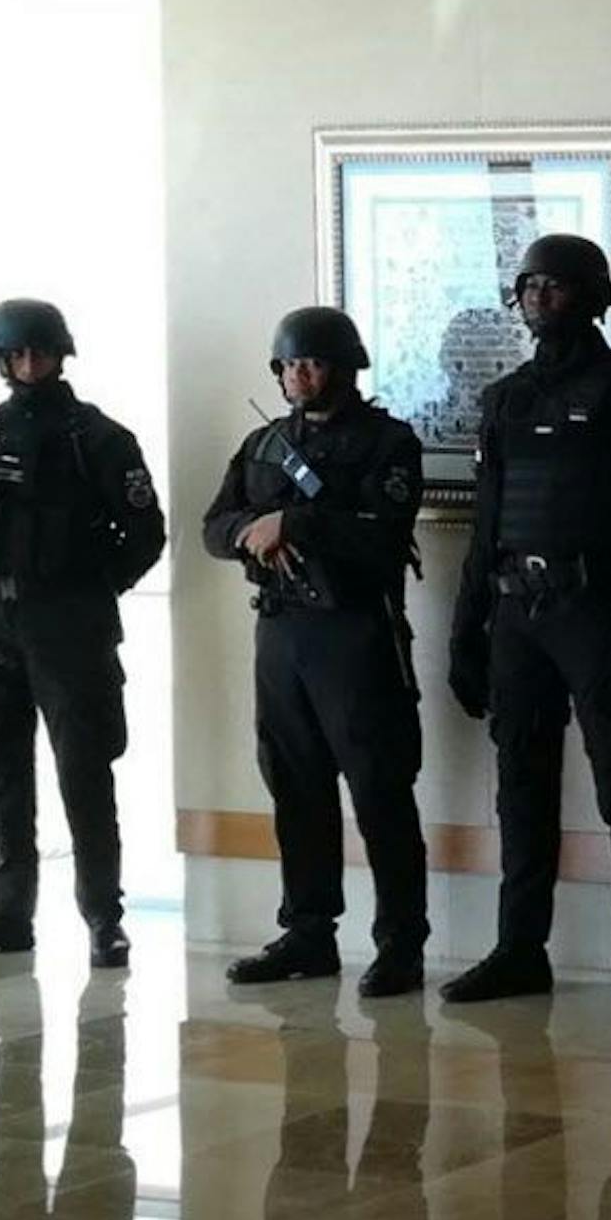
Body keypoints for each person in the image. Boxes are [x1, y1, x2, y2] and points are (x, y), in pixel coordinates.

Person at [445, 233, 611, 1017]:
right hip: (519, 614)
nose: (539, 297)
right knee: (521, 785)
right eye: (528, 285)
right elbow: (486, 528)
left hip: (596, 612)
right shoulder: (506, 398)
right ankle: (520, 950)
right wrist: (466, 627)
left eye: (555, 284)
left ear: (591, 294)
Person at [0, 299, 165, 970]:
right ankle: (8, 910)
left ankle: (103, 917)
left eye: (40, 352)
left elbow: (147, 533)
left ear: (61, 355)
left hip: (69, 624)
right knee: (1, 770)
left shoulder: (99, 438)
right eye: (17, 354)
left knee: (84, 773)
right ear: (0, 360)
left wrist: (91, 592)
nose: (29, 365)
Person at [201, 306, 428, 997]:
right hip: (282, 632)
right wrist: (252, 530)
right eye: (291, 364)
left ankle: (399, 943)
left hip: (354, 634)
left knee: (379, 789)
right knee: (294, 787)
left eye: (314, 362)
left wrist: (297, 521)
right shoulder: (264, 444)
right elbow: (214, 526)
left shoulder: (386, 443)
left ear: (345, 367)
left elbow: (384, 536)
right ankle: (308, 932)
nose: (301, 375)